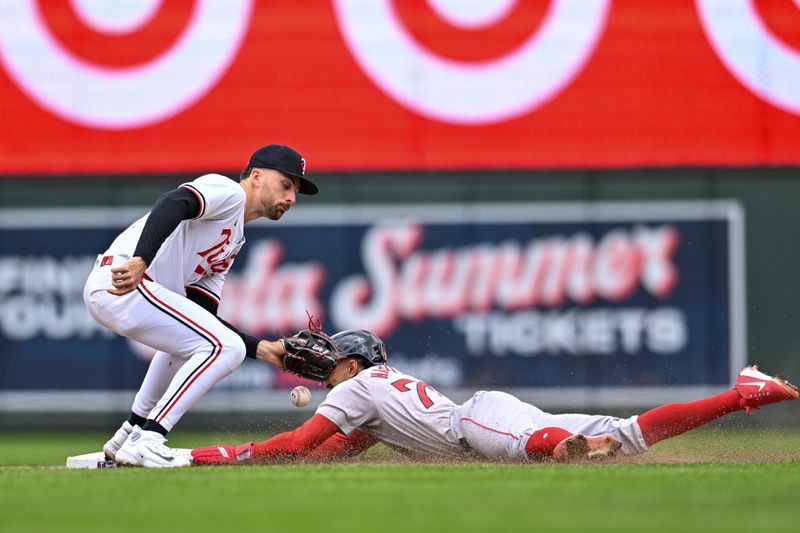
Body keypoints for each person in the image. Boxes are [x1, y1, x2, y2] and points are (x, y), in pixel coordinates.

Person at [192, 329, 799, 465]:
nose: (320, 366)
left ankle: (570, 446)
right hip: (488, 416)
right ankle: (739, 394)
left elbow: (300, 442)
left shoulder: (358, 388)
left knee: (548, 448)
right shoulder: (371, 402)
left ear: (352, 364)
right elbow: (318, 454)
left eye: (330, 359)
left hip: (477, 424)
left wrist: (217, 456)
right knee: (633, 436)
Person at [83, 144, 319, 468]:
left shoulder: (233, 241)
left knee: (197, 344)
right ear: (257, 176)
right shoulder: (229, 193)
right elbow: (173, 202)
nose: (292, 197)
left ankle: (128, 434)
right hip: (125, 280)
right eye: (286, 184)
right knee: (227, 349)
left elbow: (204, 316)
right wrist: (142, 260)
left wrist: (262, 349)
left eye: (296, 191)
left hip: (131, 289)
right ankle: (150, 438)